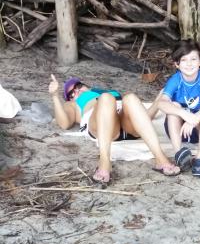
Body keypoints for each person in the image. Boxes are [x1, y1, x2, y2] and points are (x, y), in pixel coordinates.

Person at [48, 74, 180, 184]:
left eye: (78, 86)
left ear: (85, 85)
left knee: (130, 98)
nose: (77, 91)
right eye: (72, 94)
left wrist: (158, 102)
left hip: (126, 125)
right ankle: (105, 161)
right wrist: (54, 96)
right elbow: (65, 123)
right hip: (102, 126)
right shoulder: (73, 104)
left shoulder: (101, 91)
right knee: (106, 99)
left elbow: (144, 119)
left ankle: (160, 158)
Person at [148, 40, 200, 177]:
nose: (189, 63)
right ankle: (179, 153)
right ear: (177, 64)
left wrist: (195, 118)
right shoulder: (175, 80)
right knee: (173, 107)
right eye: (184, 60)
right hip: (178, 130)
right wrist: (183, 113)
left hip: (198, 130)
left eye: (193, 59)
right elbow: (162, 102)